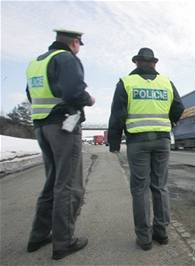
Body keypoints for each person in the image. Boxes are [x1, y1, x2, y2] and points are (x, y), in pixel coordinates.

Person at [26, 29, 95, 260]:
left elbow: (30, 95)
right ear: (74, 43)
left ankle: (38, 236)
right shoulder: (66, 59)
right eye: (79, 45)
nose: (79, 49)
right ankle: (63, 242)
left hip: (41, 127)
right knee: (68, 185)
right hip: (63, 126)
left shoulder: (36, 63)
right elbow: (75, 92)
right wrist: (90, 99)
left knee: (52, 181)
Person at [108, 47, 184, 251]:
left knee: (140, 189)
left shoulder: (126, 82)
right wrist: (171, 122)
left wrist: (114, 142)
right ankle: (162, 232)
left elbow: (117, 115)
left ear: (137, 63)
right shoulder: (166, 82)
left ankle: (144, 238)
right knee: (160, 186)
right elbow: (179, 107)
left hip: (138, 142)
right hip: (161, 141)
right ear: (154, 64)